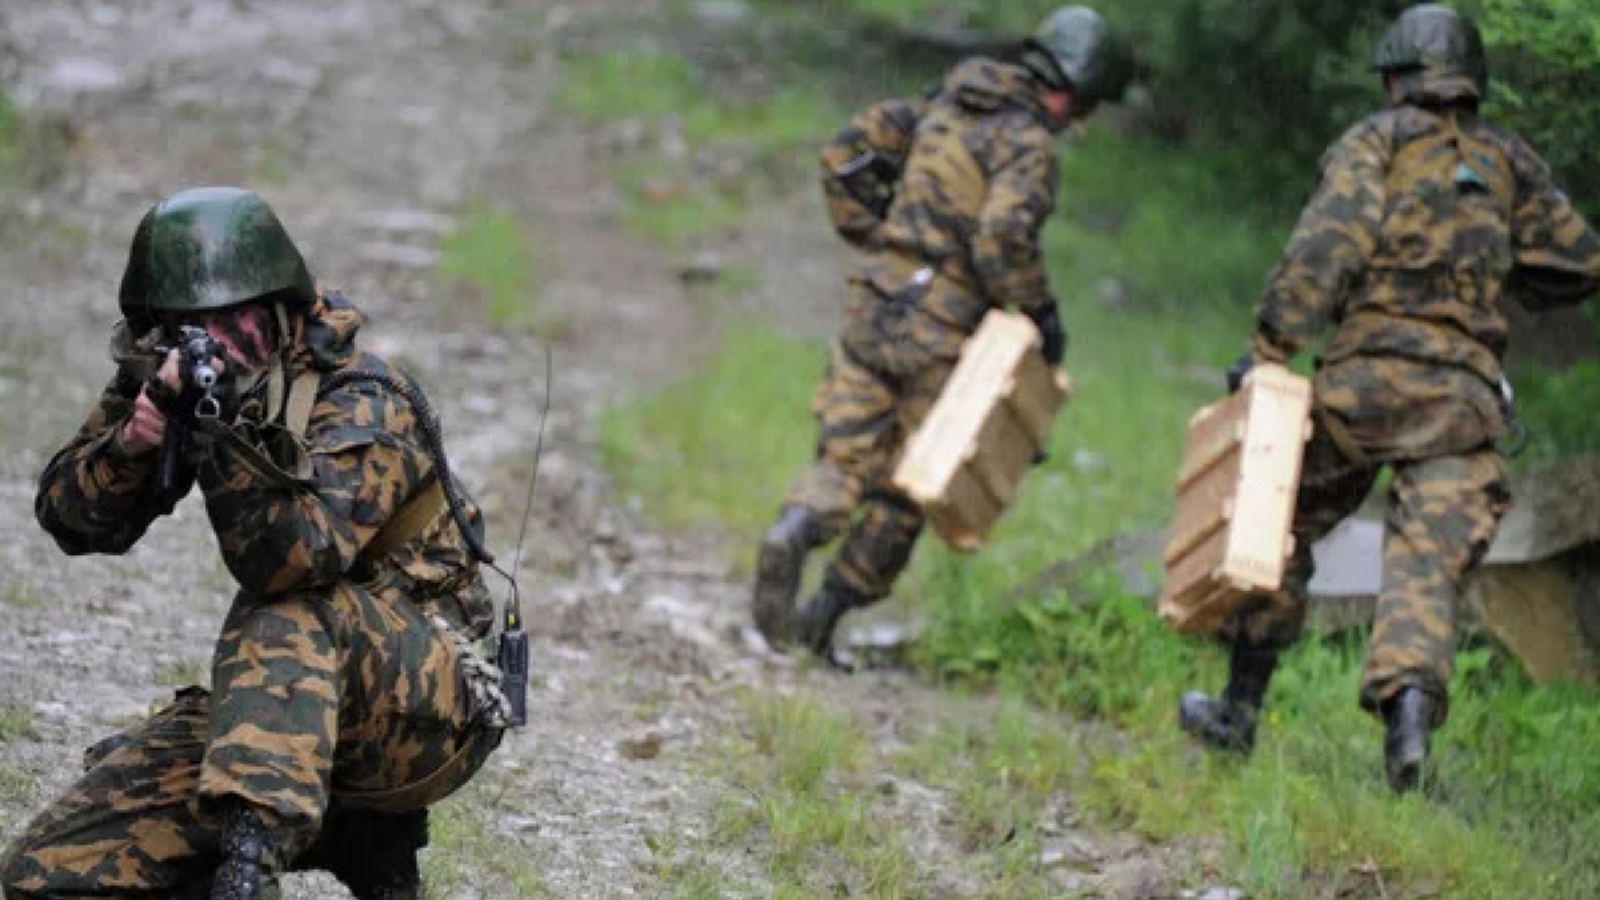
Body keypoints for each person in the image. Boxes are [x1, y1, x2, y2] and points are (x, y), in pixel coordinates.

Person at [1, 186, 514, 900]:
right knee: (49, 874)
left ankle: (251, 868)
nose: (208, 340)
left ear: (279, 306)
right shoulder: (175, 374)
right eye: (184, 325)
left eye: (227, 319)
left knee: (286, 611)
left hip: (429, 703)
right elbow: (69, 518)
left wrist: (221, 437)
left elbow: (292, 561)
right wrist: (136, 440)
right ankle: (343, 832)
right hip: (291, 705)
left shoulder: (363, 396)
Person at [1177, 4, 1600, 791]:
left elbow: (1326, 248)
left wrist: (1269, 347)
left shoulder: (1375, 143)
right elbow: (1578, 261)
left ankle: (1237, 712)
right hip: (1458, 405)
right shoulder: (1509, 160)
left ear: (1398, 77)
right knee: (1424, 568)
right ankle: (1406, 729)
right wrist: (1508, 278)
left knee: (1278, 528)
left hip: (1360, 392)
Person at [751, 7, 1130, 664]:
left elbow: (844, 155)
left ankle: (795, 528)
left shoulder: (944, 104)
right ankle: (820, 621)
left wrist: (881, 241)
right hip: (943, 334)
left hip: (874, 307)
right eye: (1086, 105)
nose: (1079, 121)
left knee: (842, 461)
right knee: (907, 486)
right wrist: (1042, 316)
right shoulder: (1028, 142)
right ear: (1071, 89)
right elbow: (1001, 242)